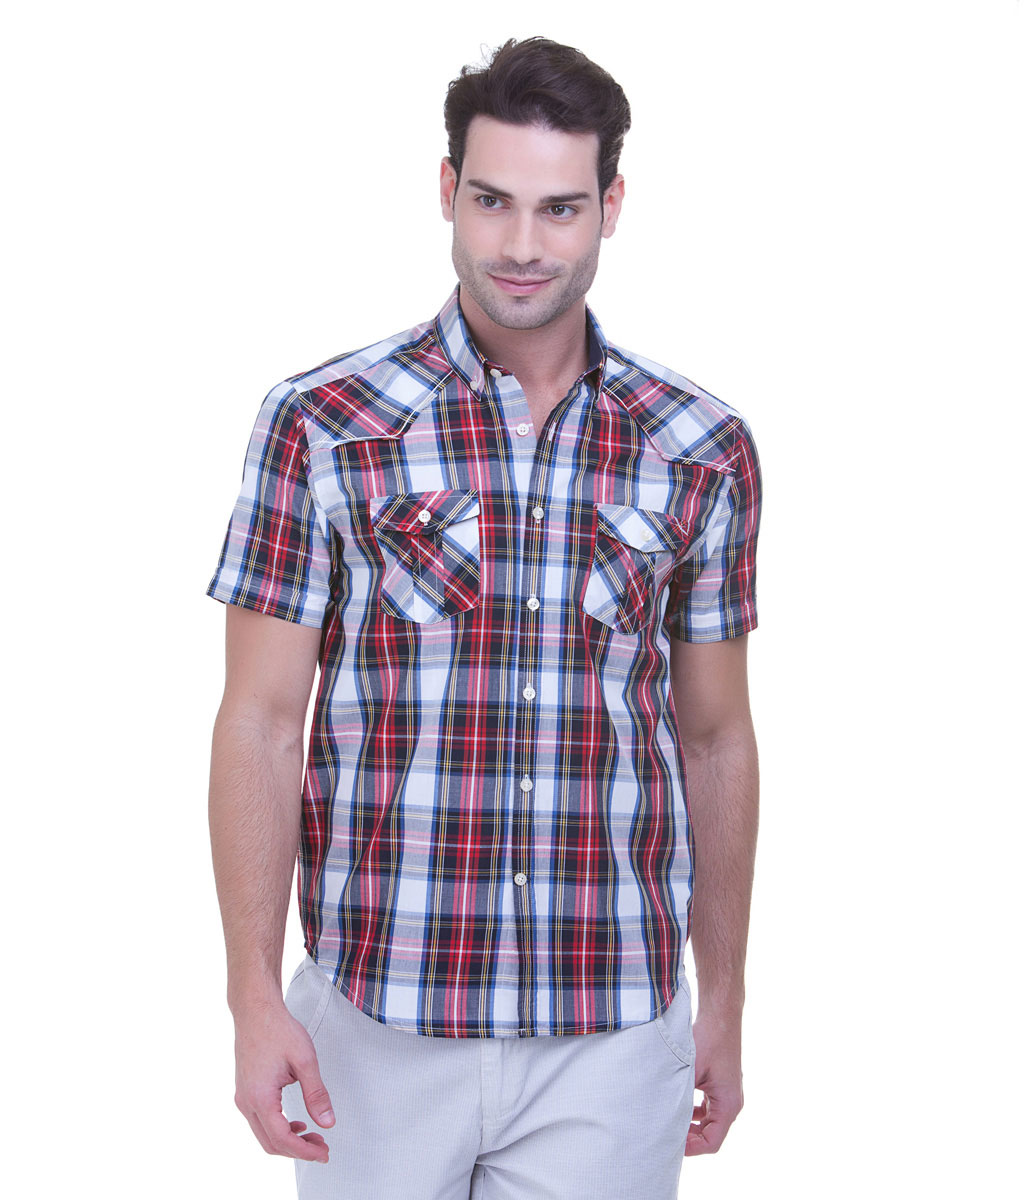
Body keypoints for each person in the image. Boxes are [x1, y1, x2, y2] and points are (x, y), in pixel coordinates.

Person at [206, 35, 761, 1200]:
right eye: (493, 200)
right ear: (447, 189)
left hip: (611, 1034)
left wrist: (727, 996)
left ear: (612, 206)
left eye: (561, 208)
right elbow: (259, 720)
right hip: (376, 1021)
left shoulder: (701, 448)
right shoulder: (325, 424)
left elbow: (714, 738)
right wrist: (253, 994)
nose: (520, 246)